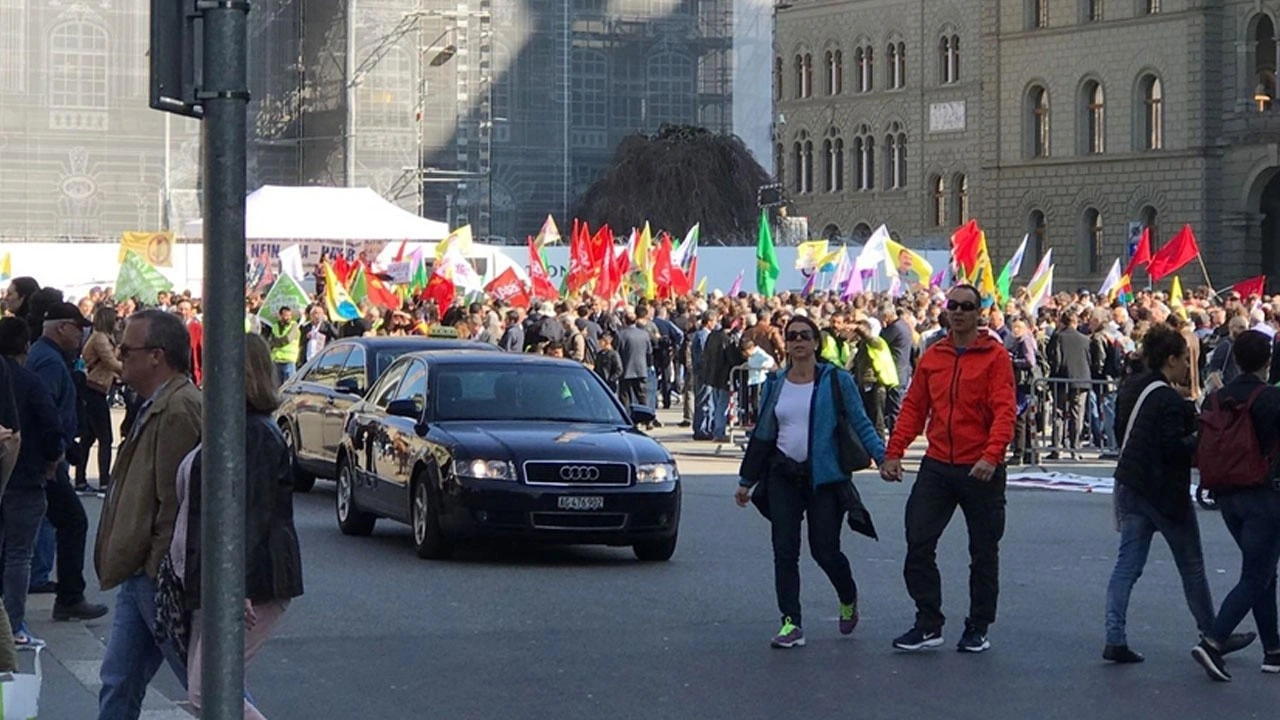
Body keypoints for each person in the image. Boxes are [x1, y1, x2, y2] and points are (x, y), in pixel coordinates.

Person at [168, 334, 303, 718]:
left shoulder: (253, 432)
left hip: (246, 582)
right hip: (213, 578)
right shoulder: (227, 424)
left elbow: (252, 513)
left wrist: (235, 583)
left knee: (208, 692)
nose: (205, 374)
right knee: (208, 690)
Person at [734, 315, 886, 648]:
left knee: (825, 550)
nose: (798, 341)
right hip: (783, 476)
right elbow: (762, 434)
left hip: (824, 479)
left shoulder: (835, 380)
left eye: (805, 336)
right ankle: (791, 622)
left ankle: (848, 595)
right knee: (784, 551)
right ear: (786, 344)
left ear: (816, 342)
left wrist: (884, 456)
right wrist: (746, 480)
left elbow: (861, 423)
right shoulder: (776, 382)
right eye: (792, 337)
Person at [880, 284, 1017, 654]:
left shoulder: (995, 356)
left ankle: (978, 626)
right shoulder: (934, 355)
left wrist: (991, 456)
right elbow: (914, 408)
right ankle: (928, 622)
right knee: (918, 540)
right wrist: (894, 452)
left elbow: (1005, 410)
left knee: (984, 552)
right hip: (938, 464)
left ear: (979, 313)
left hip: (981, 467)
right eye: (953, 305)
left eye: (967, 306)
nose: (958, 312)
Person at [1104, 324, 1252, 665]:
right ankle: (1212, 634)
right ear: (1170, 359)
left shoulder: (1132, 387)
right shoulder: (1169, 399)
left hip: (1131, 484)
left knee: (1127, 565)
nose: (1188, 366)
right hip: (1165, 494)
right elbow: (1174, 449)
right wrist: (1199, 432)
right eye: (1185, 359)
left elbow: (1122, 431)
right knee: (1192, 568)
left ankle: (1115, 636)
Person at [95, 309, 201, 720]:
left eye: (127, 350)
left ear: (157, 355)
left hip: (156, 574)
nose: (120, 357)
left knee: (204, 687)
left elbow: (177, 501)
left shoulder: (178, 408)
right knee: (118, 680)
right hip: (142, 571)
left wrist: (156, 565)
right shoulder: (159, 402)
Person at [1192, 330, 1280, 681]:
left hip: (1227, 496)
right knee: (1257, 575)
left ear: (1237, 360)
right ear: (1267, 361)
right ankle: (1214, 640)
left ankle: (1273, 650)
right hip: (1265, 495)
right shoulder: (1271, 399)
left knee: (1262, 571)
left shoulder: (1217, 397)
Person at [26, 302, 107, 623]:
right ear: (61, 328)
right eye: (77, 328)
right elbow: (41, 410)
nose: (81, 334)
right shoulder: (48, 361)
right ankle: (70, 597)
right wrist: (53, 452)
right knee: (73, 521)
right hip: (46, 459)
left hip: (50, 454)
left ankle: (68, 595)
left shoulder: (47, 356)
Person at [0, 318, 61, 650]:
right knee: (19, 553)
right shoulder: (30, 381)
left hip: (9, 474)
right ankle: (12, 625)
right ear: (25, 345)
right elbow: (50, 425)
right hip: (25, 474)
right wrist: (52, 459)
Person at [77, 305, 121, 494]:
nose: (118, 322)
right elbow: (110, 362)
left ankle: (80, 480)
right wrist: (128, 371)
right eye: (115, 318)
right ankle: (104, 481)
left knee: (88, 437)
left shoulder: (102, 337)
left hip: (96, 388)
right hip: (94, 388)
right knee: (105, 437)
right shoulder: (100, 338)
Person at [614, 312, 653, 410]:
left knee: (625, 397)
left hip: (626, 369)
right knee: (642, 396)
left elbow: (616, 352)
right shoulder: (644, 334)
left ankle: (627, 418)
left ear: (624, 321)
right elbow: (649, 351)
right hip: (641, 369)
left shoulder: (621, 335)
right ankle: (647, 419)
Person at [267, 306, 302, 384]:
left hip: (289, 361)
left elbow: (288, 339)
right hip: (276, 360)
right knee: (276, 386)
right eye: (285, 315)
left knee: (289, 386)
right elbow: (269, 342)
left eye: (289, 315)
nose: (288, 318)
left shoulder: (294, 326)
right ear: (280, 316)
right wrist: (275, 342)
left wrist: (276, 341)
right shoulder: (275, 327)